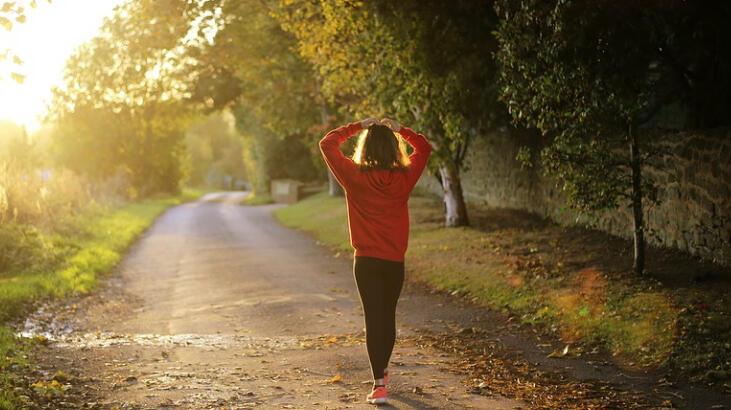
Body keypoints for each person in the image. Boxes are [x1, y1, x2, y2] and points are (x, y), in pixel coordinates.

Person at [319, 117, 433, 404]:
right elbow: (424, 147)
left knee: (374, 319)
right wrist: (401, 130)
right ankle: (382, 372)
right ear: (394, 149)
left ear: (365, 147)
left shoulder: (354, 176)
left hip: (366, 262)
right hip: (394, 261)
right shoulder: (404, 178)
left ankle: (379, 384)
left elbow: (327, 143)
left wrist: (358, 125)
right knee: (388, 317)